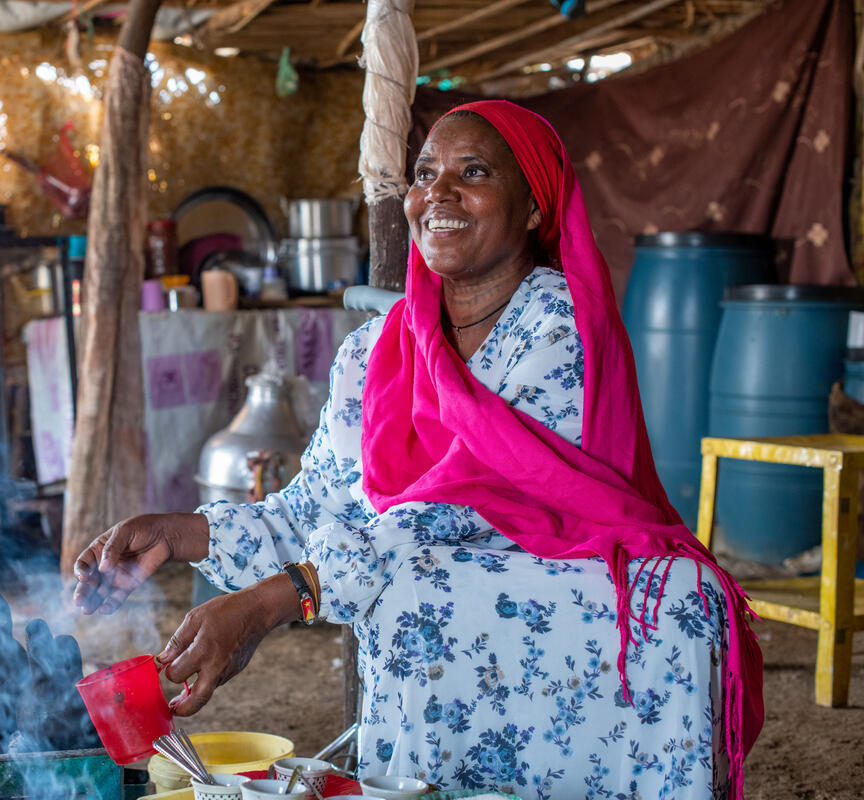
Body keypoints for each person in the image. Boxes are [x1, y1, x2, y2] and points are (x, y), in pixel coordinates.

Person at [73, 100, 763, 800]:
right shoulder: (374, 351)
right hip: (433, 574)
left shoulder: (562, 327)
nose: (439, 193)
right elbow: (317, 508)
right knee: (409, 577)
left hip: (566, 568)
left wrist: (277, 600)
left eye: (474, 172)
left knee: (416, 583)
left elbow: (465, 502)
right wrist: (178, 534)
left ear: (534, 207)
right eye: (426, 173)